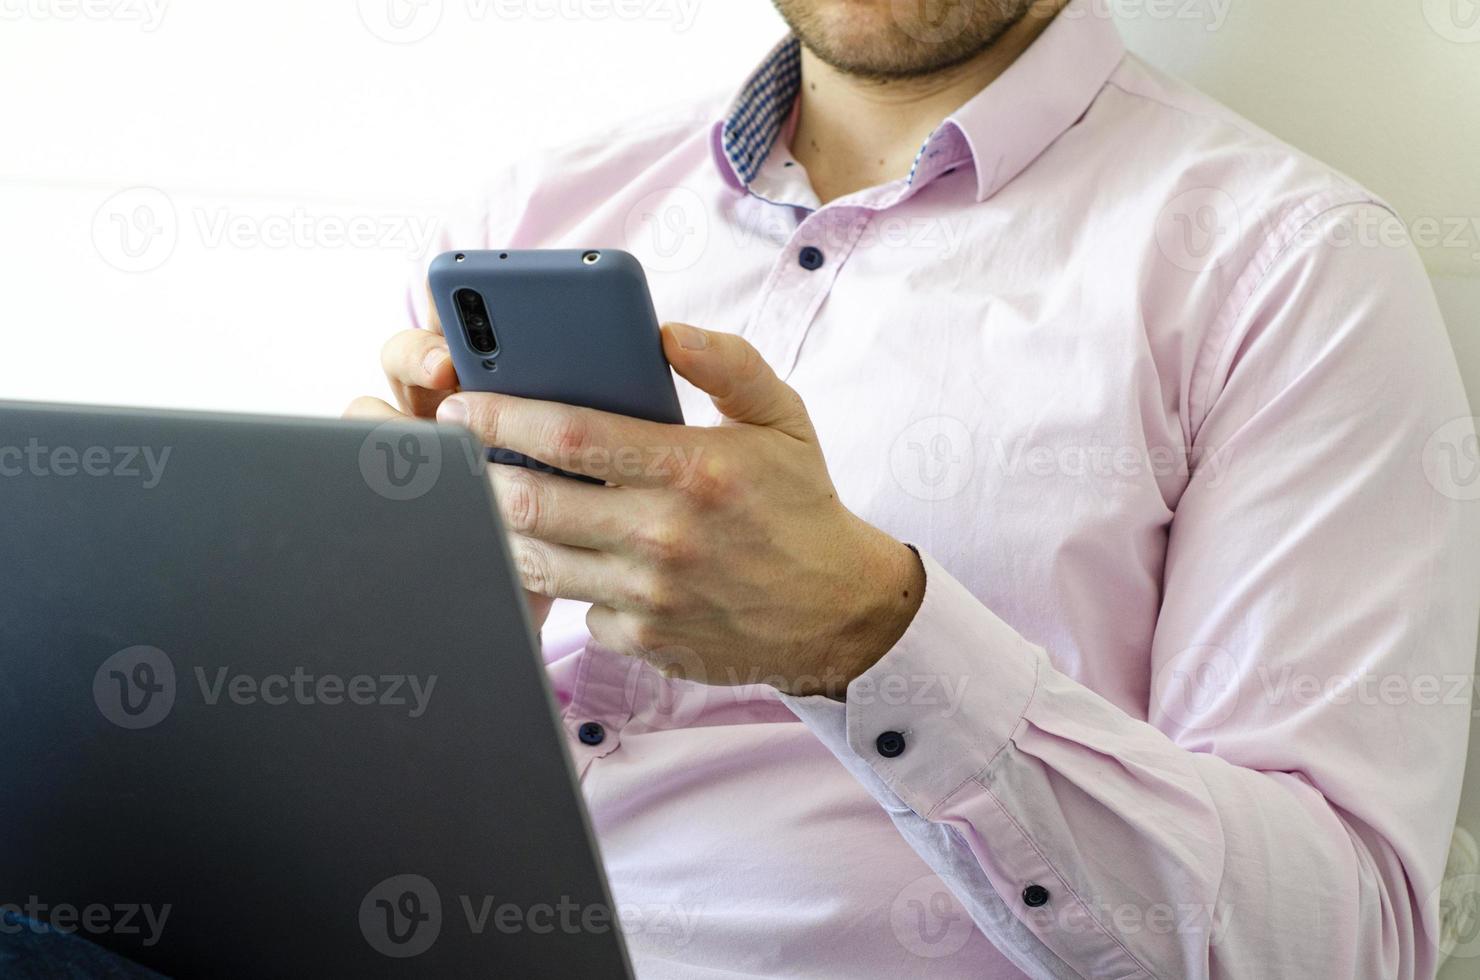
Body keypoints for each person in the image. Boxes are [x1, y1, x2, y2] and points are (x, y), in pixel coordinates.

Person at [350, 0, 1480, 976]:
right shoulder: (532, 213)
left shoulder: (1291, 269)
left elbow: (1343, 945)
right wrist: (395, 619)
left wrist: (867, 636)